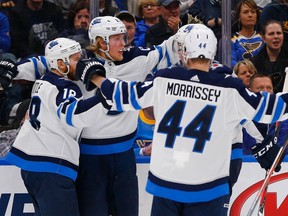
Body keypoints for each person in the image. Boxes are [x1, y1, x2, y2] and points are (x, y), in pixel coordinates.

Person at [79, 23, 288, 215]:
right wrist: (262, 139)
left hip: (165, 185)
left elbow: (121, 94)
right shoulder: (229, 88)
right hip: (208, 187)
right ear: (213, 52)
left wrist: (96, 77)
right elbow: (270, 108)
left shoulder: (164, 79)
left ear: (185, 51)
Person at [75, 16, 177, 216]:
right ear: (100, 42)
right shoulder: (79, 60)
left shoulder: (138, 58)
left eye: (124, 37)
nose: (124, 43)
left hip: (124, 158)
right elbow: (47, 64)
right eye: (117, 39)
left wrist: (185, 29)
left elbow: (170, 48)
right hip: (89, 159)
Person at [4, 37, 107, 216]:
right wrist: (106, 95)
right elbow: (75, 115)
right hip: (51, 166)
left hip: (32, 166)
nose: (81, 64)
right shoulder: (65, 87)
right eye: (76, 60)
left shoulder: (43, 81)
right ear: (60, 63)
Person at [251, 20, 288, 93]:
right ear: (263, 38)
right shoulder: (253, 63)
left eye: (279, 33)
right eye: (271, 34)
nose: (276, 36)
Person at [231, 0, 263, 67]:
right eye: (246, 12)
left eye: (253, 12)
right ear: (239, 17)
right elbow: (231, 62)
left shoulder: (264, 38)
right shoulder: (232, 40)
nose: (250, 15)